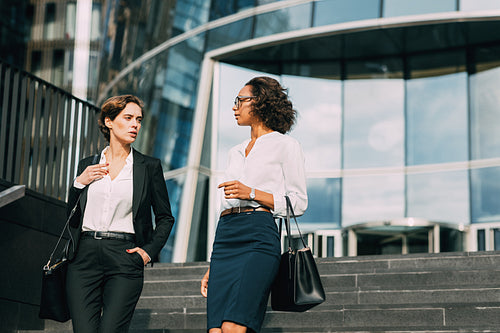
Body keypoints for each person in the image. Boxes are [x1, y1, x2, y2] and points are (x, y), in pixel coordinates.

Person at [200, 76, 308, 333]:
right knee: (215, 329)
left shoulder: (286, 145)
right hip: (225, 235)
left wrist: (252, 192)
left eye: (240, 100)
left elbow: (299, 202)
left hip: (259, 234)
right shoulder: (234, 151)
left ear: (260, 103)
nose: (235, 107)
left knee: (233, 326)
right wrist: (212, 264)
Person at [65, 94, 175, 333]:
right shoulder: (87, 165)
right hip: (84, 257)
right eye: (128, 118)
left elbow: (166, 217)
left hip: (125, 256)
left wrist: (147, 252)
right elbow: (71, 217)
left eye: (138, 119)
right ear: (109, 122)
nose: (135, 124)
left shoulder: (149, 167)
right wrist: (77, 184)